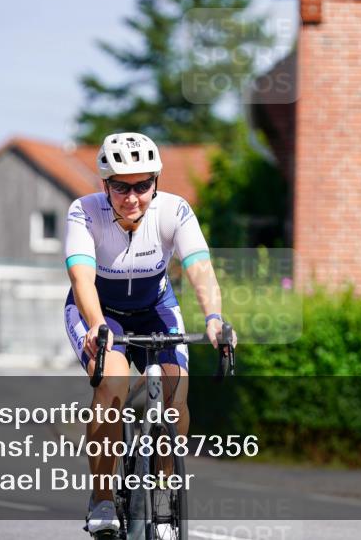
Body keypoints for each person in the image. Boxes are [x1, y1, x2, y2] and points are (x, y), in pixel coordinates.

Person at [64, 132, 233, 536]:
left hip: (156, 308)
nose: (133, 196)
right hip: (101, 313)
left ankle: (162, 496)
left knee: (176, 393)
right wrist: (97, 325)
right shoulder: (84, 212)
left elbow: (199, 267)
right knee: (113, 383)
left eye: (143, 185)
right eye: (121, 186)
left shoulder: (174, 210)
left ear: (156, 182)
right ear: (105, 185)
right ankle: (102, 499)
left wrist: (213, 317)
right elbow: (81, 278)